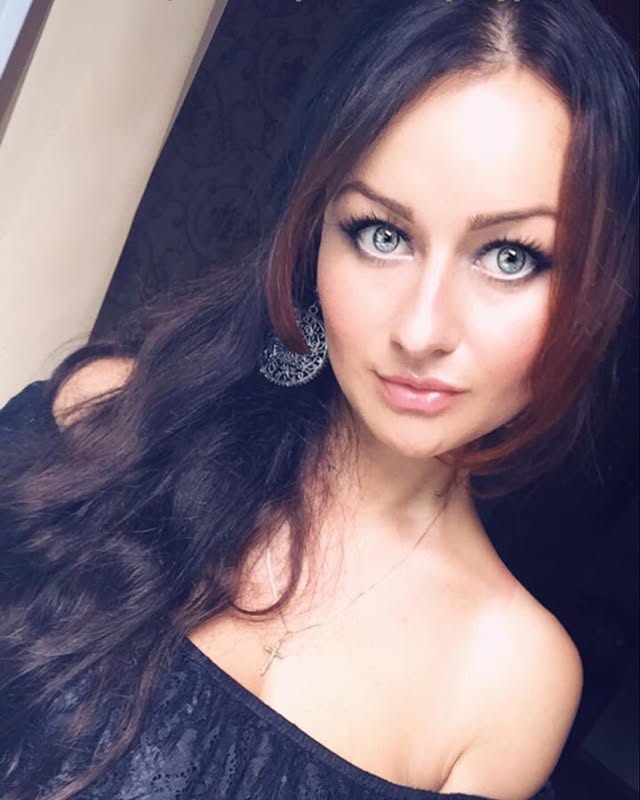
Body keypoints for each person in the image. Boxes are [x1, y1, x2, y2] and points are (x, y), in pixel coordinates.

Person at [0, 0, 637, 798]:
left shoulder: (514, 684)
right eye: (382, 235)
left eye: (510, 255)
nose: (422, 329)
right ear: (312, 237)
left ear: (596, 285)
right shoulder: (107, 423)